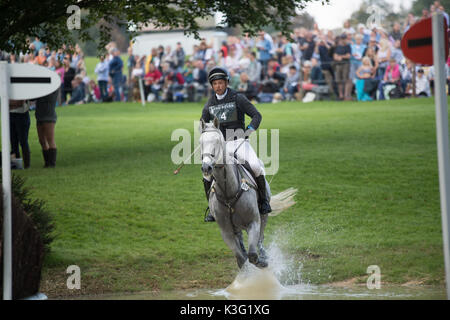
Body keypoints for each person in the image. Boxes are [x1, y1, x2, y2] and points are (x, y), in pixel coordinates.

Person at [200, 66, 272, 222]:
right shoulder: (209, 103)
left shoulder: (238, 98)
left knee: (255, 166)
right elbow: (204, 124)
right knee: (206, 175)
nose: (218, 86)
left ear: (226, 83)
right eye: (215, 84)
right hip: (221, 146)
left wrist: (250, 129)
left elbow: (256, 115)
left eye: (221, 83)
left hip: (239, 142)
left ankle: (264, 202)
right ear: (212, 86)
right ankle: (212, 209)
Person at [35, 88, 59, 168]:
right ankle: (47, 163)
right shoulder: (41, 87)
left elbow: (49, 98)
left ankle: (52, 164)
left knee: (50, 139)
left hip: (49, 116)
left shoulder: (54, 87)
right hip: (39, 116)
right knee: (42, 141)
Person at [9, 100, 31, 169]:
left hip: (22, 115)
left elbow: (20, 103)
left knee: (23, 142)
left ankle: (27, 166)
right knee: (13, 142)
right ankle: (17, 165)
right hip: (10, 115)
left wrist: (8, 104)